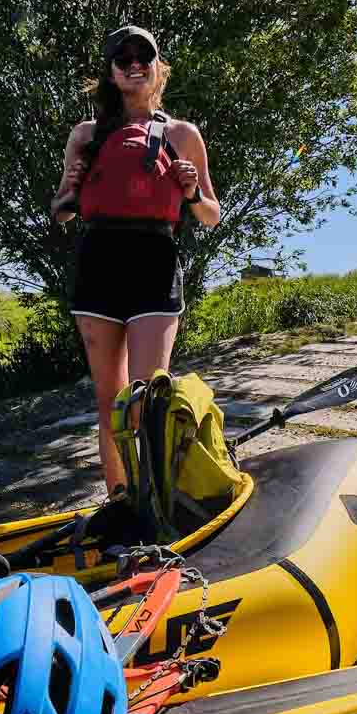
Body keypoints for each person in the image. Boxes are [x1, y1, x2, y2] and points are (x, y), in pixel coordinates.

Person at [52, 24, 221, 495]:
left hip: (154, 262)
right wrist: (73, 188)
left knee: (148, 399)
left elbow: (210, 215)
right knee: (111, 401)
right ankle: (120, 502)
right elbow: (60, 211)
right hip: (98, 263)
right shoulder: (86, 135)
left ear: (156, 68)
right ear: (110, 72)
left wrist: (190, 192)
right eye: (122, 58)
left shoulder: (182, 134)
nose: (133, 64)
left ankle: (157, 502)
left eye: (142, 57)